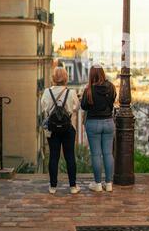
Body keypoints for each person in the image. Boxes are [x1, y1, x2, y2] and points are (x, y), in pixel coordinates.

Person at [41, 66, 81, 195]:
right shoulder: (72, 92)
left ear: (53, 78)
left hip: (52, 129)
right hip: (68, 128)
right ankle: (73, 186)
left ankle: (53, 186)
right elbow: (76, 107)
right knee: (70, 156)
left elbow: (44, 108)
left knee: (54, 156)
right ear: (66, 78)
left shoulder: (47, 92)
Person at [81, 64, 116, 192]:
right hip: (108, 122)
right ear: (103, 73)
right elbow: (112, 101)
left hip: (93, 123)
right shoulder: (111, 87)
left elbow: (83, 106)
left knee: (96, 154)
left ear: (91, 75)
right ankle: (109, 183)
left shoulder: (89, 90)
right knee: (108, 153)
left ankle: (97, 184)